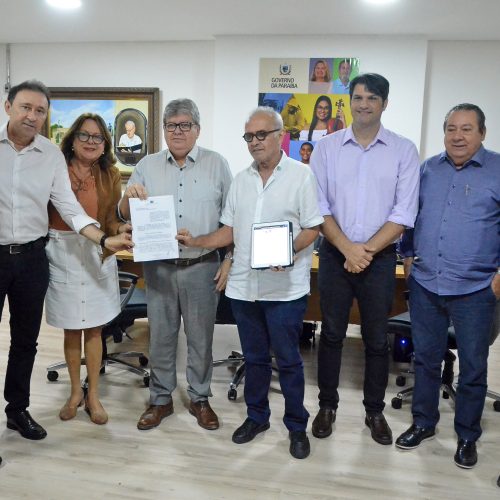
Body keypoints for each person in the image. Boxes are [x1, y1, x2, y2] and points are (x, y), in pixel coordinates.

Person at [177, 106, 323, 459]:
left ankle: (296, 426)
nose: (255, 142)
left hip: (284, 289)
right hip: (244, 288)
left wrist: (287, 251)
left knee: (288, 360)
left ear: (279, 136)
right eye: (249, 137)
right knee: (255, 359)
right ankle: (257, 417)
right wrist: (197, 241)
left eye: (261, 135)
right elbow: (229, 231)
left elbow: (313, 228)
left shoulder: (301, 176)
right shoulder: (241, 180)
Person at [0, 80, 132, 442]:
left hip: (32, 257)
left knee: (25, 341)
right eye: (26, 107)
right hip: (27, 251)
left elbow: (70, 209)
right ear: (8, 106)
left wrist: (105, 239)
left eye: (40, 110)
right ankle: (71, 393)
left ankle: (17, 410)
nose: (32, 116)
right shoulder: (56, 158)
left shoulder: (49, 156)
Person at [310, 73, 420, 446]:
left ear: (384, 104)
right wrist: (347, 249)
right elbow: (318, 207)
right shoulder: (326, 148)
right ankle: (327, 407)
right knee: (331, 335)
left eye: (372, 98)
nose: (364, 104)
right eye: (357, 97)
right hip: (334, 254)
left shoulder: (403, 150)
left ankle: (375, 412)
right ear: (349, 101)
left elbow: (404, 212)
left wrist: (365, 251)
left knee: (376, 339)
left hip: (381, 258)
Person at [395, 103, 500, 469]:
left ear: (482, 133)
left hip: (476, 289)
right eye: (451, 129)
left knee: (473, 366)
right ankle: (423, 423)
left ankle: (467, 434)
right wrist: (407, 254)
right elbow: (410, 216)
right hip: (427, 283)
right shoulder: (427, 169)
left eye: (467, 129)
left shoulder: (497, 169)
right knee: (425, 359)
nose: (458, 136)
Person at [118, 98, 232, 432]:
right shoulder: (147, 166)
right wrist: (127, 198)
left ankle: (199, 398)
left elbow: (232, 220)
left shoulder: (217, 165)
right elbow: (123, 214)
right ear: (164, 130)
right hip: (160, 267)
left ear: (197, 129)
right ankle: (160, 399)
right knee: (161, 337)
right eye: (171, 126)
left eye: (185, 125)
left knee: (200, 339)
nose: (177, 131)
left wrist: (228, 259)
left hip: (202, 265)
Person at [46, 113, 131, 425]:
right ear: (72, 139)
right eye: (84, 135)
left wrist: (123, 229)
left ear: (105, 144)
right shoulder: (56, 168)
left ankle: (93, 394)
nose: (91, 142)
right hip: (63, 252)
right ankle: (74, 393)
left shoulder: (110, 174)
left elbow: (111, 219)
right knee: (71, 327)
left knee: (94, 328)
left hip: (98, 253)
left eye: (98, 137)